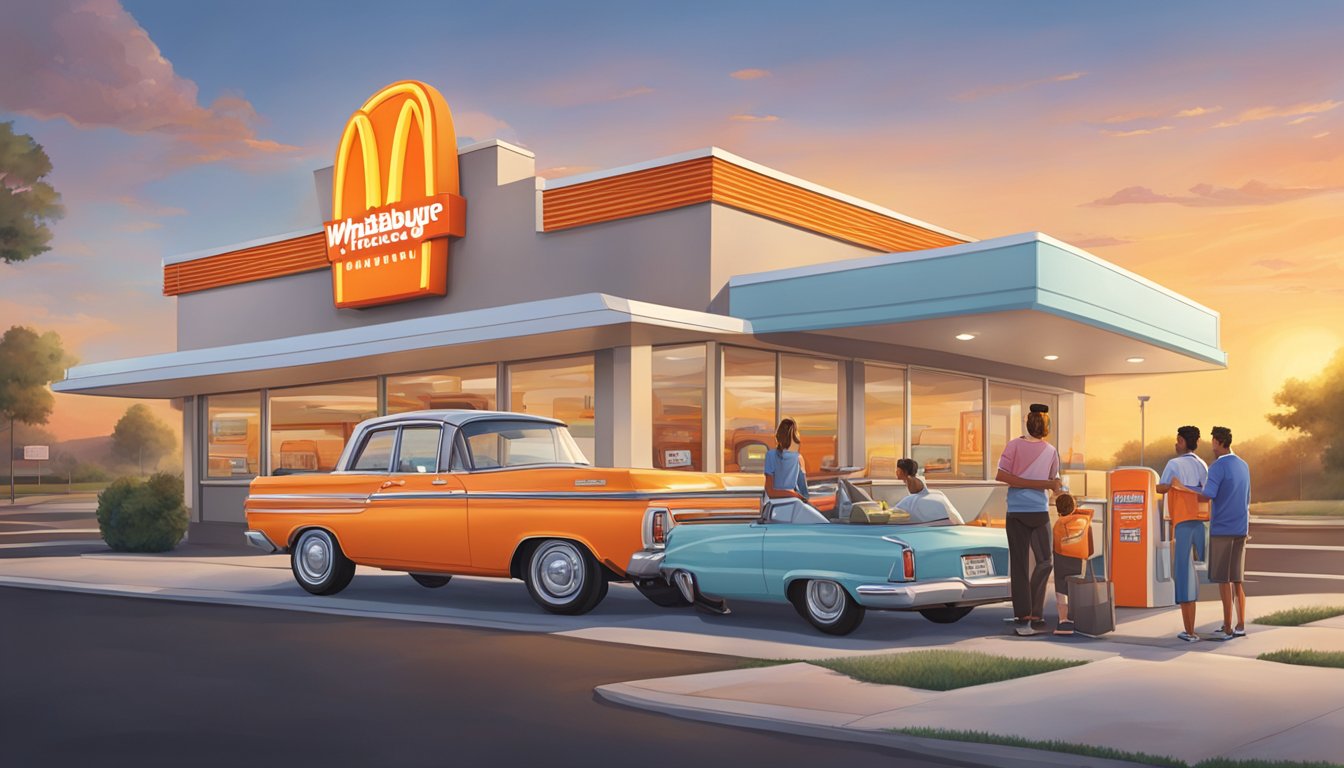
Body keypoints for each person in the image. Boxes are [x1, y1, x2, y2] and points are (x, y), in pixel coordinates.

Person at [996, 403, 1063, 634]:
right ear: (1046, 425)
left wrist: (1057, 490)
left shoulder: (1021, 446)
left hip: (1020, 511)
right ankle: (1029, 614)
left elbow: (1053, 483)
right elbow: (1002, 476)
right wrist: (1045, 485)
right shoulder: (1047, 450)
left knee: (1023, 564)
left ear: (1028, 422)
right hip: (1032, 511)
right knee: (1043, 562)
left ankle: (1029, 612)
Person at [1196, 426, 1251, 640]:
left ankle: (1227, 627)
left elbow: (1206, 495)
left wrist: (1183, 487)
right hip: (1240, 529)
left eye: (1212, 442)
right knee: (1237, 580)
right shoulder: (1243, 465)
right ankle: (1240, 624)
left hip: (1222, 529)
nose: (1211, 446)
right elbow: (1247, 498)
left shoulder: (1218, 467)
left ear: (1219, 442)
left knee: (1223, 580)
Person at [1156, 425, 1210, 642]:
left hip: (1182, 522)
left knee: (1183, 574)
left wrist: (1172, 487)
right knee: (1195, 573)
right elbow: (1206, 492)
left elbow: (1161, 487)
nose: (1176, 444)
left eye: (1177, 440)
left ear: (1183, 441)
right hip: (1200, 522)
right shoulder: (1202, 464)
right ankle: (1192, 628)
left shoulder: (1173, 464)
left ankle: (1189, 631)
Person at [1050, 493, 1092, 636]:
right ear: (1074, 507)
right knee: (1077, 589)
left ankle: (1063, 621)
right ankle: (1079, 620)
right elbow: (1090, 544)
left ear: (1058, 510)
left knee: (1061, 591)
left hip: (1061, 561)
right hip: (1079, 560)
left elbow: (1054, 546)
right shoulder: (1084, 520)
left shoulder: (1058, 524)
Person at [894, 458, 964, 525]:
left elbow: (914, 493)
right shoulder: (912, 479)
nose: (896, 472)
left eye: (898, 470)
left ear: (905, 472)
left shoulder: (910, 480)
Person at [763, 417, 809, 501]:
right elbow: (804, 493)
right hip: (792, 503)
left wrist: (794, 495)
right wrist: (795, 495)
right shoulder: (798, 458)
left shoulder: (770, 455)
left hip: (775, 505)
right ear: (795, 437)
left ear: (778, 436)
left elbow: (770, 492)